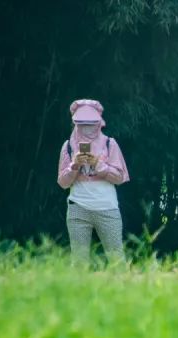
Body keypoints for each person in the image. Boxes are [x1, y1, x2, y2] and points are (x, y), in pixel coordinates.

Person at [57, 99, 130, 266]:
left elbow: (120, 178)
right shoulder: (68, 146)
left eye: (90, 124)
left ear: (99, 123)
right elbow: (62, 182)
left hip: (107, 207)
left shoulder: (109, 144)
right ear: (75, 123)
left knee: (116, 258)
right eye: (82, 124)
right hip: (78, 207)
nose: (86, 127)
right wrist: (74, 165)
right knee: (79, 261)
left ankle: (122, 290)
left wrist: (99, 165)